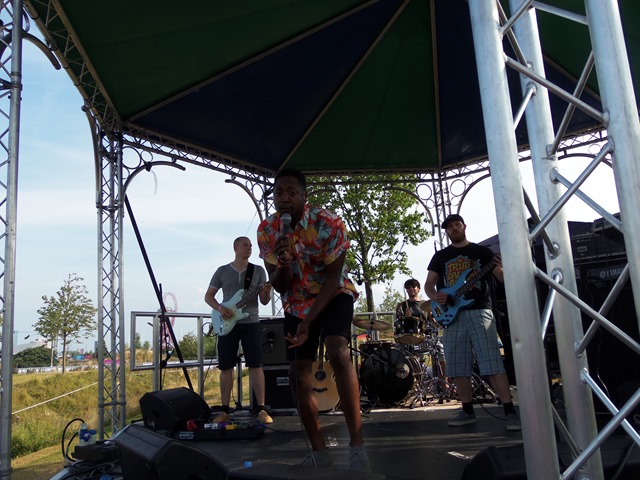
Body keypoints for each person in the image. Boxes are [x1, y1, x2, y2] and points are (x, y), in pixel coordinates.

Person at [257, 168, 369, 471]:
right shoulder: (267, 231)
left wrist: (309, 323)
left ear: (304, 196)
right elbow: (280, 286)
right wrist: (282, 264)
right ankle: (319, 452)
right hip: (296, 301)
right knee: (297, 373)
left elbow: (333, 278)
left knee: (338, 351)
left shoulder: (328, 222)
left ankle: (357, 445)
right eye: (279, 192)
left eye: (291, 192)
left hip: (333, 294)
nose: (284, 198)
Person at [424, 214, 521, 431]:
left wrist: (508, 267)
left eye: (457, 224)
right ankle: (467, 410)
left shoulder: (482, 252)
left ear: (464, 226)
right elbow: (429, 284)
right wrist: (435, 296)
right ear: (446, 232)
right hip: (451, 315)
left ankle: (509, 411)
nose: (454, 229)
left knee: (492, 361)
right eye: (450, 227)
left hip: (479, 311)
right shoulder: (441, 256)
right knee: (457, 365)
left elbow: (501, 277)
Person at [205, 236, 274, 425]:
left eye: (251, 245)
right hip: (228, 323)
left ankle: (261, 408)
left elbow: (264, 301)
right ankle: (225, 410)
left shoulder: (258, 271)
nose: (249, 248)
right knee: (226, 366)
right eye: (245, 245)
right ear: (235, 247)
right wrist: (220, 308)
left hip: (251, 322)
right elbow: (209, 296)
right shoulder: (222, 271)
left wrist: (266, 291)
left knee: (256, 365)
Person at [395, 278, 448, 394]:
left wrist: (434, 319)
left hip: (424, 337)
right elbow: (397, 324)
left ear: (418, 289)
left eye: (413, 287)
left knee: (440, 350)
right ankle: (409, 387)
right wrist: (405, 317)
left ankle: (444, 384)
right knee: (396, 353)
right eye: (408, 288)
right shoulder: (402, 306)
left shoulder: (426, 305)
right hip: (407, 339)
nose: (411, 289)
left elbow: (434, 322)